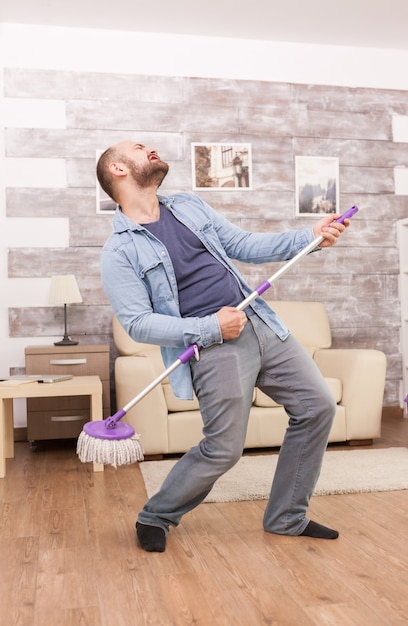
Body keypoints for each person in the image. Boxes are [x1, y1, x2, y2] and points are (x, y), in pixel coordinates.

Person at [97, 141, 350, 553]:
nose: (153, 149)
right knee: (224, 448)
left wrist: (310, 236)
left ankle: (287, 517)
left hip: (262, 323)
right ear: (117, 169)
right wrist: (210, 327)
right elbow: (139, 324)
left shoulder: (188, 206)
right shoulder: (120, 251)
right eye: (141, 149)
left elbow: (244, 245)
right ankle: (156, 516)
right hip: (214, 347)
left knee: (318, 406)